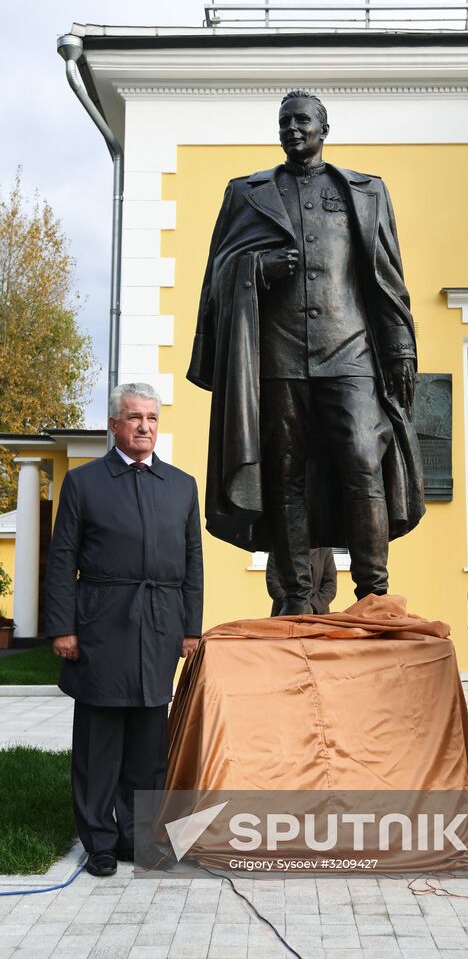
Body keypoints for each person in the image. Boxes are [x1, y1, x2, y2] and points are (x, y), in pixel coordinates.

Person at [187, 89, 424, 615]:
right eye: (284, 122)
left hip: (351, 350)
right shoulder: (247, 193)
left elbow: (386, 277)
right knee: (285, 471)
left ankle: (373, 592)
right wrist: (256, 271)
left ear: (324, 128)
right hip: (279, 354)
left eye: (302, 120)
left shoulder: (365, 192)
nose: (292, 129)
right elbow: (217, 278)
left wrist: (401, 346)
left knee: (364, 459)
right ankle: (295, 595)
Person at [45, 383, 203, 876]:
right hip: (100, 624)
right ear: (114, 423)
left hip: (159, 625)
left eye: (152, 418)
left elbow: (193, 563)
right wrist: (63, 627)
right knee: (100, 744)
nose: (144, 427)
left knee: (148, 746)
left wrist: (190, 629)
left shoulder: (181, 485)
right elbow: (62, 559)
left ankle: (140, 839)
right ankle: (100, 842)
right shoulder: (85, 482)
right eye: (134, 418)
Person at [266, 548, 337, 616]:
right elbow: (273, 582)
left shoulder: (324, 548)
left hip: (317, 615)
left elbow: (330, 585)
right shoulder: (278, 545)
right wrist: (292, 605)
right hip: (284, 613)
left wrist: (311, 607)